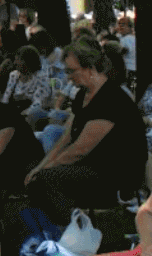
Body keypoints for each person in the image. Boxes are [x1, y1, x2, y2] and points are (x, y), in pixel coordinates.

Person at [25, 39, 146, 224]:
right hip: (92, 167)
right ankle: (63, 228)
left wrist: (48, 168)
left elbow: (80, 149)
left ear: (90, 67)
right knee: (34, 173)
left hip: (115, 175)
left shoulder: (110, 99)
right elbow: (68, 137)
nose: (68, 77)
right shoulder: (83, 94)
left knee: (45, 180)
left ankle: (75, 230)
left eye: (71, 71)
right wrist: (41, 166)